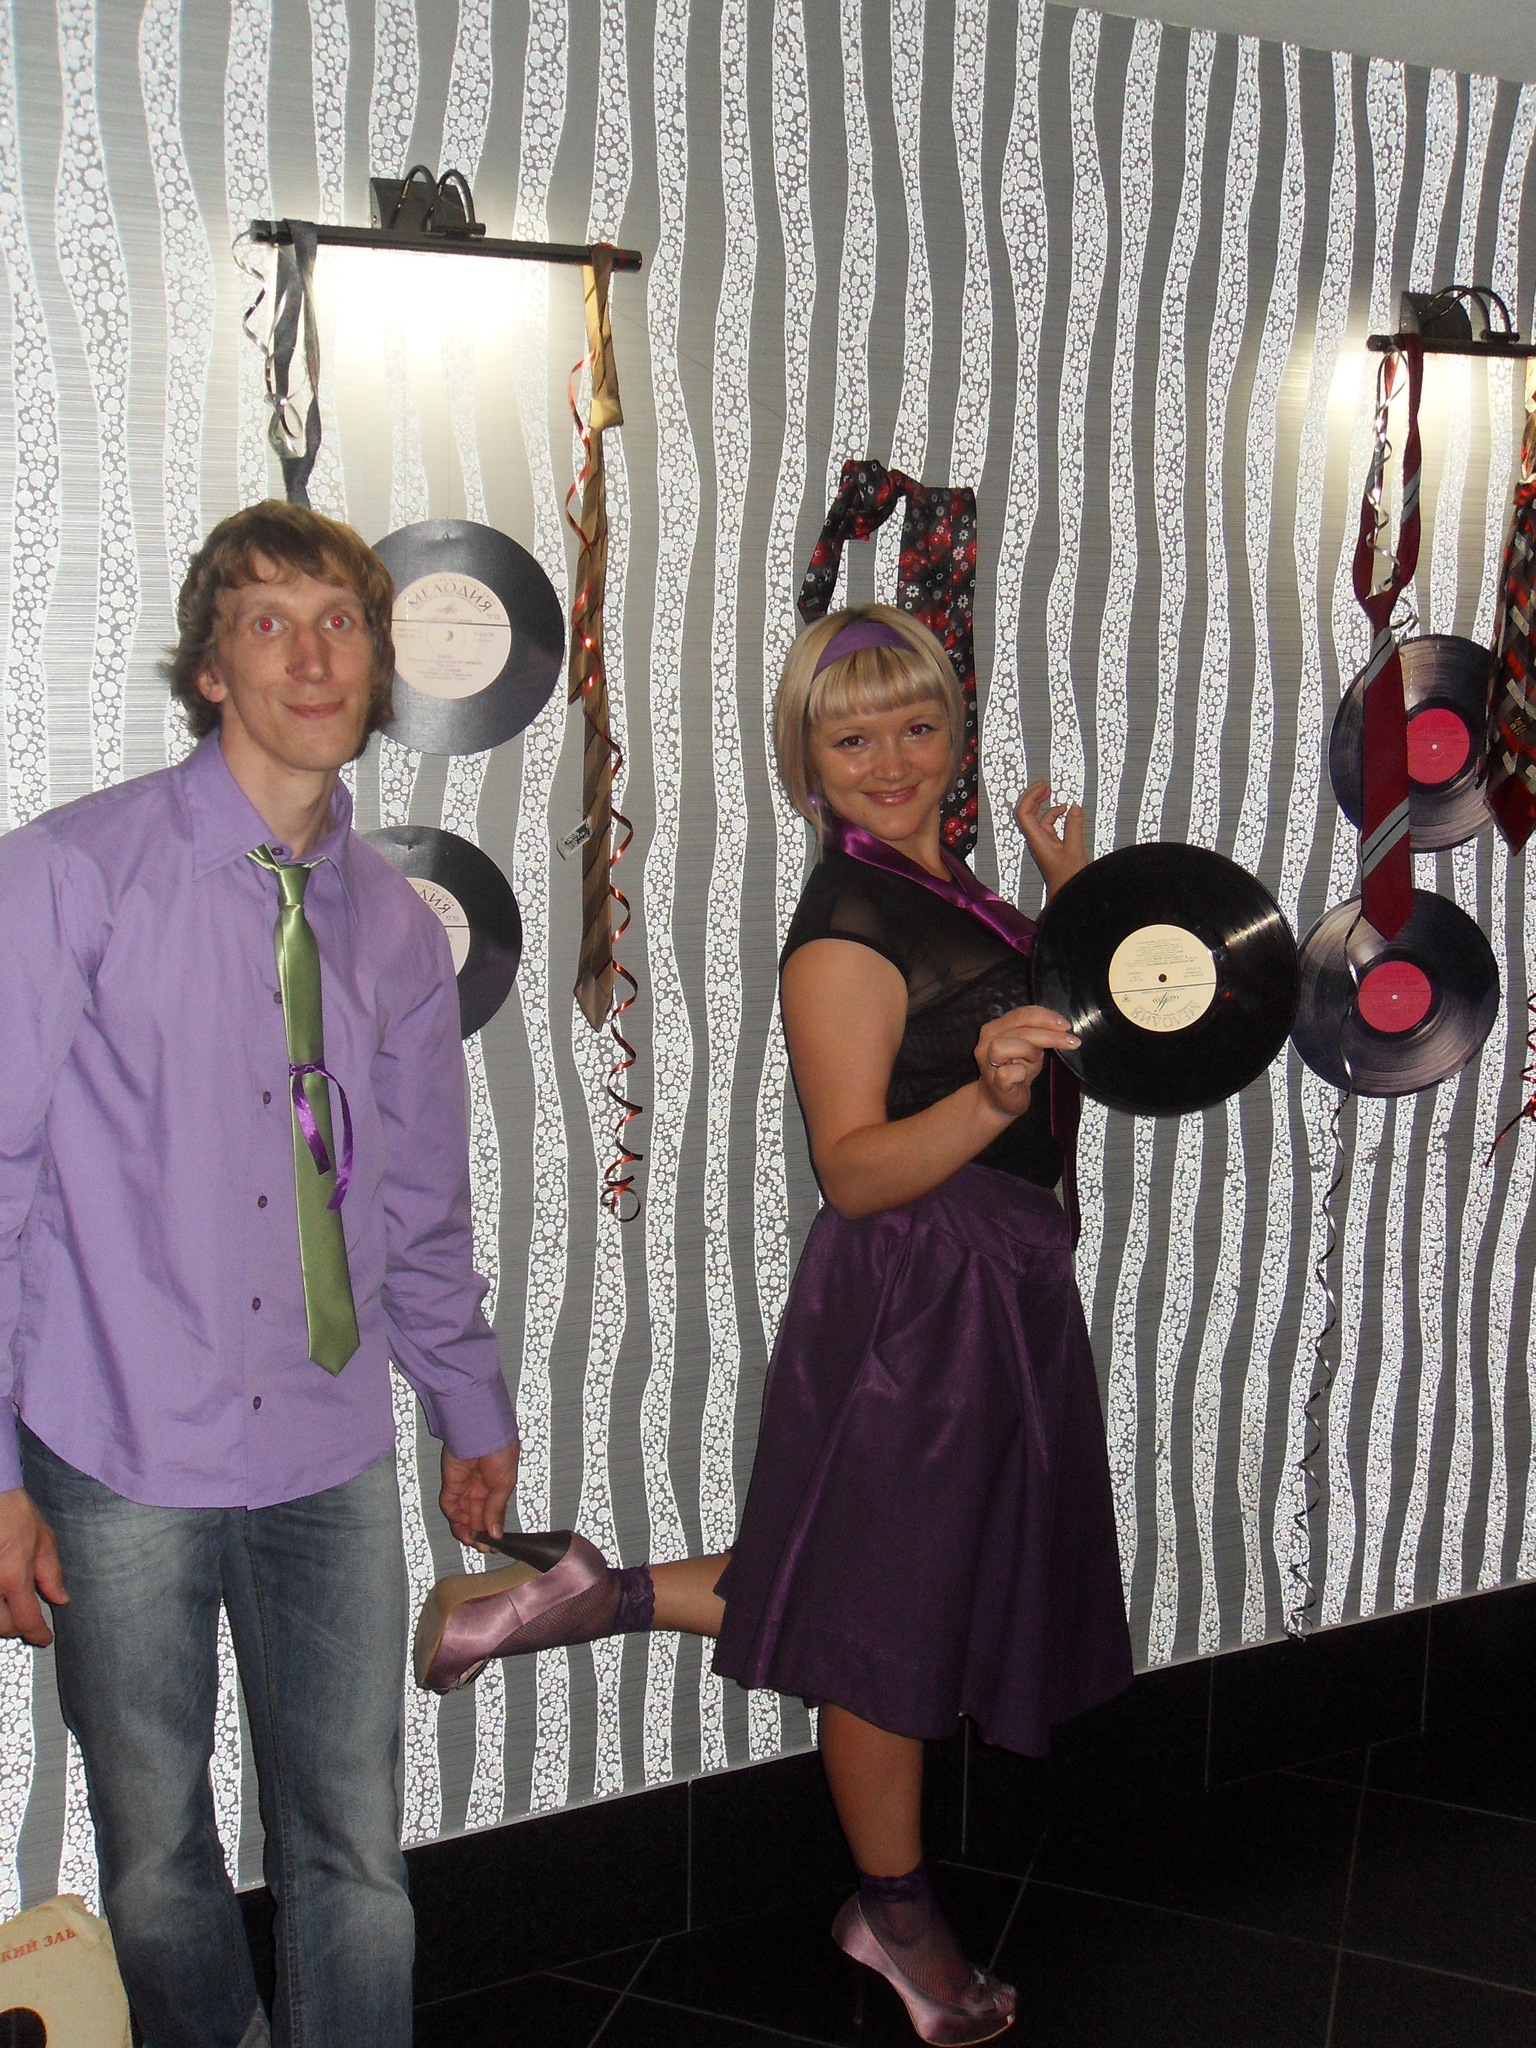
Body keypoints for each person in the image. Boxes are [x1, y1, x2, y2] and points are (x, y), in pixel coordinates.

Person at [415, 604, 1132, 2045]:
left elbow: (1061, 1040)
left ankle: (586, 1595)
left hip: (990, 1280)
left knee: (873, 1575)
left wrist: (1070, 899)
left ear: (956, 736)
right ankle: (897, 1920)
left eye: (916, 726)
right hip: (920, 1293)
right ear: (805, 762)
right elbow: (853, 1167)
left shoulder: (954, 893)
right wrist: (989, 1099)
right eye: (851, 738)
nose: (891, 761)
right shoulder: (847, 928)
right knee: (882, 1621)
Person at [0, 500, 520, 2048]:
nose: (311, 656)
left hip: (323, 1440)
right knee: (158, 1855)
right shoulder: (68, 877)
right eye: (267, 625)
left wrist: (469, 1403)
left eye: (338, 621)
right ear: (211, 670)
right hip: (116, 1444)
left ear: (376, 659)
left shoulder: (393, 929)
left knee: (354, 1851)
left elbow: (418, 1198)